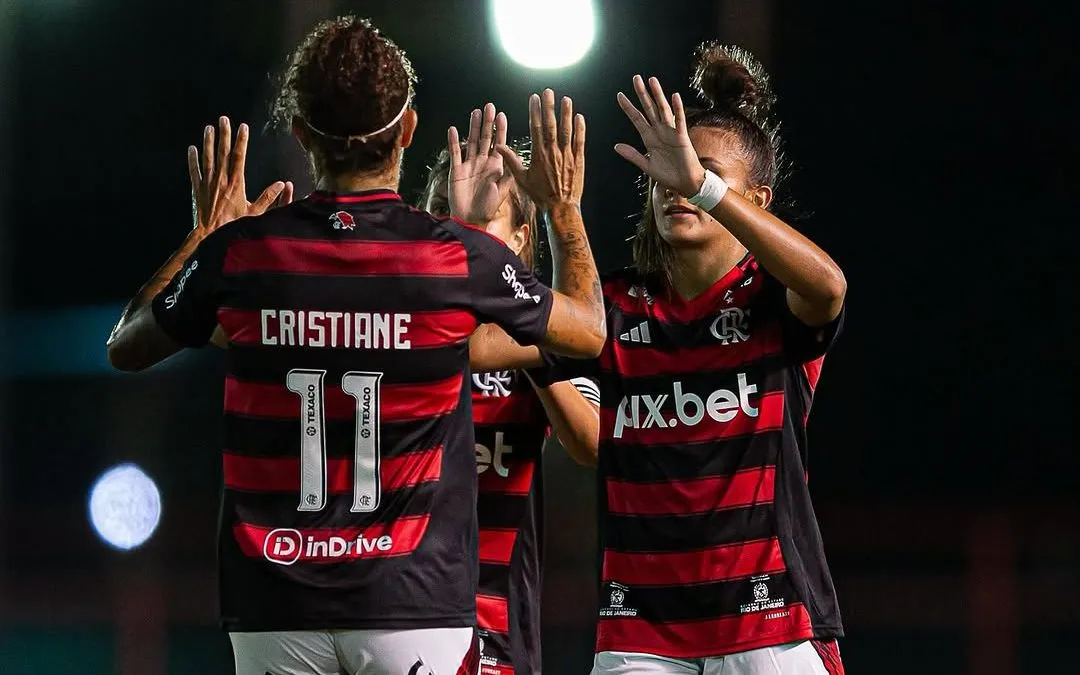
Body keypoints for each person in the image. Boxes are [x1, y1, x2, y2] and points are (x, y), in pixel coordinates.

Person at [105, 15, 604, 675]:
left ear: (302, 133)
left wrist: (203, 238)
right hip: (412, 599)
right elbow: (590, 328)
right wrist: (561, 210)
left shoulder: (244, 257)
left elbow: (128, 344)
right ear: (407, 130)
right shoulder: (450, 258)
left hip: (273, 601)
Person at [470, 43, 848, 674]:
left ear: (757, 198)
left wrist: (703, 188)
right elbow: (481, 344)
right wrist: (517, 223)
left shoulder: (772, 299)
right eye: (664, 175)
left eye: (699, 173)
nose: (675, 187)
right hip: (639, 633)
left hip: (772, 626)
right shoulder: (616, 307)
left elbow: (830, 287)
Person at [422, 139, 600, 675]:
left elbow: (591, 441)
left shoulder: (544, 339)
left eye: (483, 213)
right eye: (440, 212)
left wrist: (535, 344)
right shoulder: (396, 322)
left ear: (522, 238)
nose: (455, 227)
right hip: (394, 608)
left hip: (495, 624)